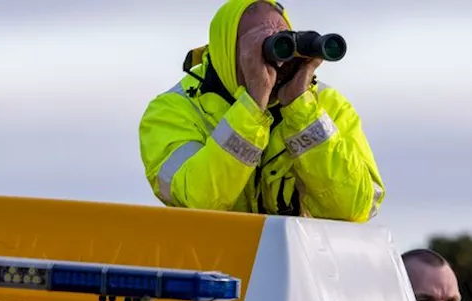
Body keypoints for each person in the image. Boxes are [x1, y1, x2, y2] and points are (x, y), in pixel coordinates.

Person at [138, 0, 384, 222]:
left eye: (284, 43)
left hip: (297, 265)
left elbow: (356, 208)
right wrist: (253, 104)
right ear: (227, 51)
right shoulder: (172, 110)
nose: (277, 63)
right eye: (264, 47)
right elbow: (197, 201)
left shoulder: (327, 105)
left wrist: (300, 109)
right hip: (213, 265)